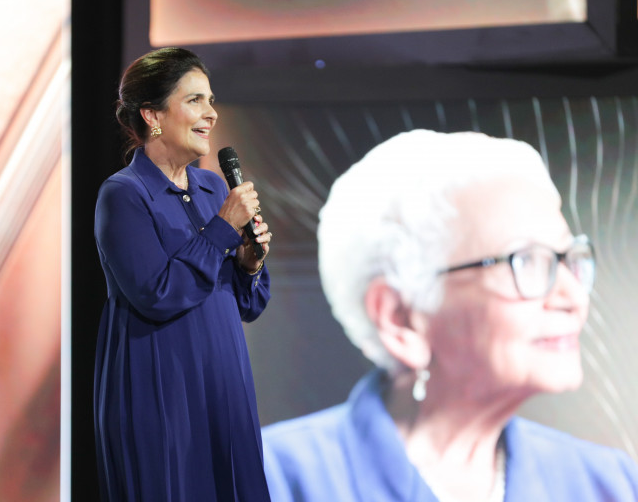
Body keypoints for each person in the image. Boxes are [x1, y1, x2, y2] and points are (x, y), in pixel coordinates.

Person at [262, 130, 638, 501]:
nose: (574, 298)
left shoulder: (609, 484)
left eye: (569, 259)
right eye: (526, 261)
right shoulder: (267, 479)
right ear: (401, 319)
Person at [93, 47, 273, 501]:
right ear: (152, 115)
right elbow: (156, 293)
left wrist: (249, 264)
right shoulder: (124, 194)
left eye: (211, 101)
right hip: (161, 387)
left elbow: (246, 303)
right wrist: (223, 227)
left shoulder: (213, 186)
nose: (211, 113)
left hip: (224, 382)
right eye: (195, 100)